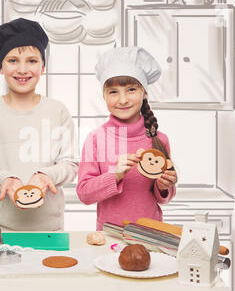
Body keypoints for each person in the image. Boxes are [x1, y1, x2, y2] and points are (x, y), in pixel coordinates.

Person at [0, 18, 78, 231]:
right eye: (13, 60)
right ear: (1, 66)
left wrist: (47, 176)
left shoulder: (58, 111)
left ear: (43, 67)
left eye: (32, 61)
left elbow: (70, 164)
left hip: (49, 228)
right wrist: (5, 179)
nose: (22, 69)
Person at [76, 46, 178, 230]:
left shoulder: (159, 139)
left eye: (131, 89)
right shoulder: (96, 138)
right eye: (113, 92)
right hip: (109, 235)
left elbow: (163, 197)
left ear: (144, 93)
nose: (123, 100)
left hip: (151, 233)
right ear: (104, 96)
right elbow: (84, 194)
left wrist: (165, 186)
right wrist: (115, 175)